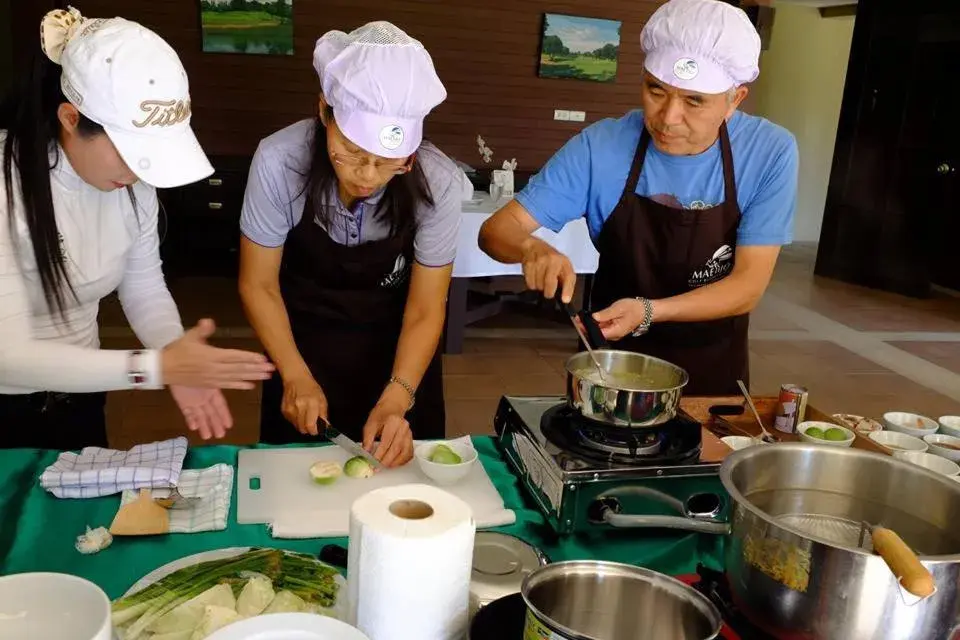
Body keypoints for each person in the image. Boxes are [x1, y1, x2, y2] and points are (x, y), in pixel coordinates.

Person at [478, 0, 798, 396]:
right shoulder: (602, 145)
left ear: (735, 100)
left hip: (713, 365)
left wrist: (649, 311)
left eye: (694, 101)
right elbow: (496, 231)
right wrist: (531, 248)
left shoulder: (769, 152)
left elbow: (748, 285)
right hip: (609, 364)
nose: (668, 117)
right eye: (656, 90)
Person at [0, 8, 274, 450]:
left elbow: (143, 285)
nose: (138, 170)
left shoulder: (132, 187)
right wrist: (158, 366)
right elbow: (7, 358)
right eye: (129, 151)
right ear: (70, 119)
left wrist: (178, 356)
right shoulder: (7, 185)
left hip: (82, 394)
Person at [239, 22, 460, 467]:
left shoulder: (440, 180)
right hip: (303, 343)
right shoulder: (279, 161)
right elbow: (258, 284)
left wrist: (399, 396)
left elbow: (425, 307)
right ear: (325, 112)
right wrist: (295, 375)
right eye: (352, 152)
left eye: (387, 163)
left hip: (397, 350)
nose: (367, 176)